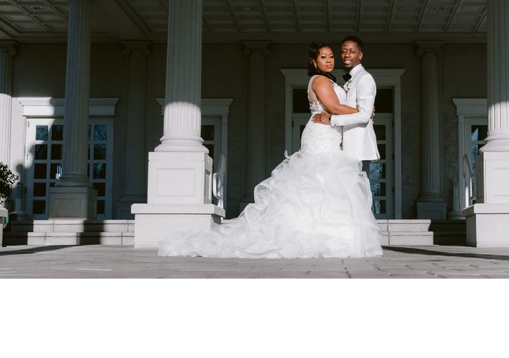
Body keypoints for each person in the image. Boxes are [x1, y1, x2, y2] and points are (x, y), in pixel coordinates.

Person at [158, 42, 383, 259]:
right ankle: (311, 236)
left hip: (329, 133)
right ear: (314, 62)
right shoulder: (320, 80)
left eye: (331, 56)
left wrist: (358, 110)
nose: (329, 60)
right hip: (322, 134)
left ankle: (325, 234)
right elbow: (334, 107)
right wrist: (363, 111)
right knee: (318, 179)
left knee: (325, 183)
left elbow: (336, 108)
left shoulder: (329, 80)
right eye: (323, 57)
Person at [312, 35, 379, 164]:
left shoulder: (365, 78)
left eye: (352, 51)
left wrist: (332, 120)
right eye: (343, 51)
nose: (347, 55)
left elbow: (364, 116)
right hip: (346, 147)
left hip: (359, 148)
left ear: (360, 55)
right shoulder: (352, 78)